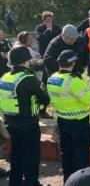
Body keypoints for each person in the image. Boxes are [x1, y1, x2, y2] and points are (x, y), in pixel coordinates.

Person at [0, 46, 50, 186]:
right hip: (28, 124)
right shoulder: (28, 78)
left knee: (16, 154)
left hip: (10, 123)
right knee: (31, 156)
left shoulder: (5, 77)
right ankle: (31, 182)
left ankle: (15, 182)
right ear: (25, 61)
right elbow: (45, 98)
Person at [47, 50, 90, 182]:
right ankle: (82, 182)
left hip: (62, 120)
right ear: (72, 63)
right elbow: (88, 99)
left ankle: (68, 181)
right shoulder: (73, 80)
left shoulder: (52, 78)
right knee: (81, 155)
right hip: (79, 123)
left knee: (66, 153)